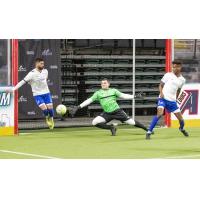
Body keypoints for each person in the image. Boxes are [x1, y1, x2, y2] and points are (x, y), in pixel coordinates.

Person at [70, 78, 148, 136]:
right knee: (94, 122)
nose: (103, 84)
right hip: (107, 113)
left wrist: (135, 96)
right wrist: (78, 107)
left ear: (108, 84)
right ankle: (111, 128)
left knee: (132, 122)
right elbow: (89, 100)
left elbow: (124, 96)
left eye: (105, 83)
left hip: (117, 111)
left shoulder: (113, 90)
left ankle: (147, 129)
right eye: (102, 83)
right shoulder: (98, 93)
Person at [146, 60, 189, 140]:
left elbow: (179, 90)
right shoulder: (168, 75)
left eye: (175, 67)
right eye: (173, 67)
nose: (173, 68)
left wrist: (176, 99)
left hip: (172, 101)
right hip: (163, 98)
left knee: (181, 120)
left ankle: (181, 129)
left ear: (180, 67)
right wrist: (161, 93)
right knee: (159, 114)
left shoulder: (182, 80)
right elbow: (160, 85)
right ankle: (149, 132)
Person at [7, 58, 54, 129]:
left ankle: (51, 119)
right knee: (45, 110)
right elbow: (22, 82)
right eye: (41, 64)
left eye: (43, 64)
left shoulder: (45, 71)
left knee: (51, 111)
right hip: (37, 94)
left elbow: (45, 79)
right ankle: (47, 118)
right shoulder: (31, 74)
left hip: (46, 93)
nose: (42, 65)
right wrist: (13, 89)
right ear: (37, 64)